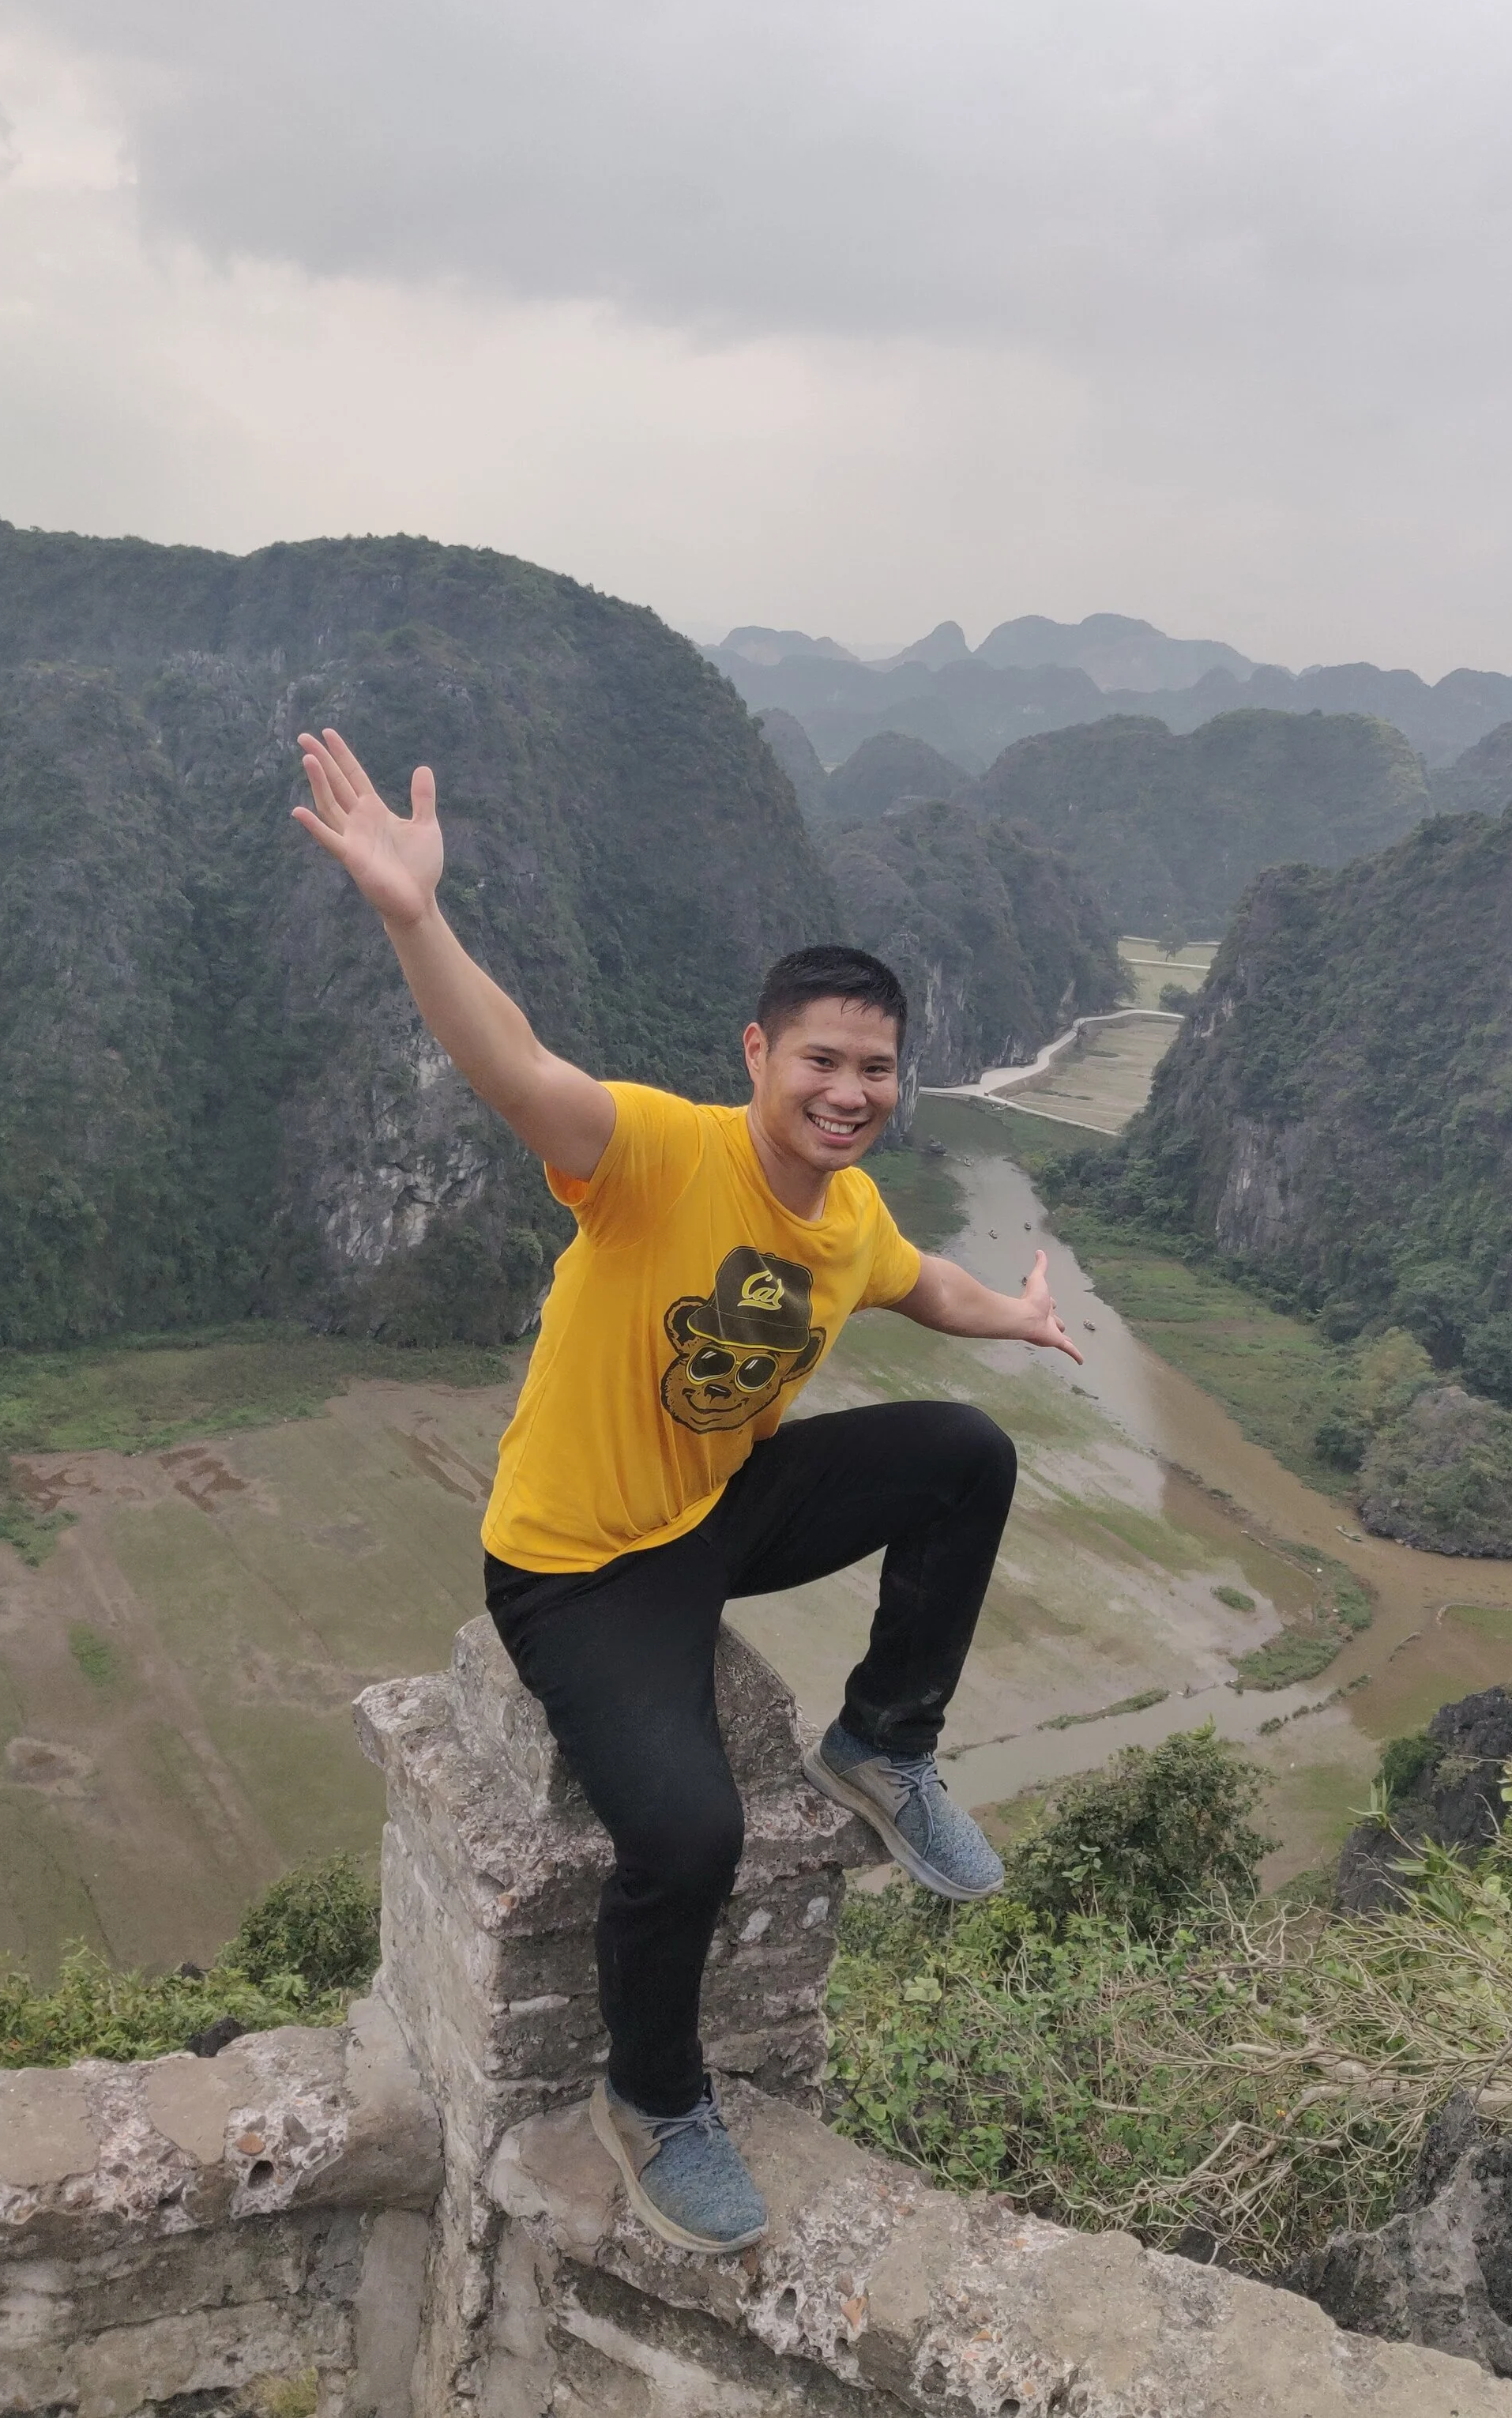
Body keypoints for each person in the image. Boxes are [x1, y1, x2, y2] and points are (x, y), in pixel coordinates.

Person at [291, 727, 1080, 2254]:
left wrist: (1020, 1315)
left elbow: (921, 1286)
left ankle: (883, 1743)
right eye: (822, 1063)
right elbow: (512, 1066)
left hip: (723, 1503)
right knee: (691, 1834)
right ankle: (653, 2096)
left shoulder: (848, 1216)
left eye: (876, 1069)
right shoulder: (655, 1154)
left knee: (965, 1455)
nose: (851, 1094)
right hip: (579, 1563)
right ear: (757, 1059)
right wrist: (412, 911)